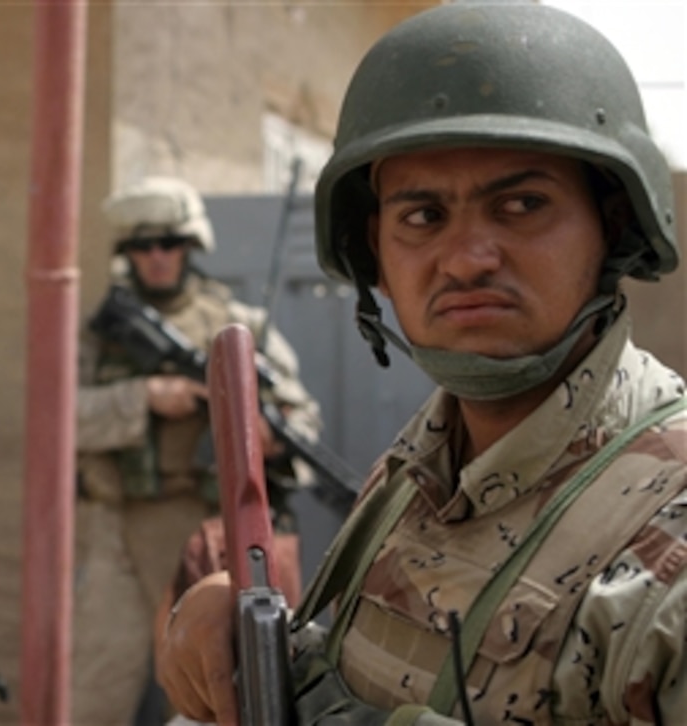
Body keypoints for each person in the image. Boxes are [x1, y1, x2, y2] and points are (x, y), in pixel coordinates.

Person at [154, 3, 687, 724]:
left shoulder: (669, 553)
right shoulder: (422, 466)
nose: (466, 258)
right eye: (422, 217)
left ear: (614, 222)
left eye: (522, 204)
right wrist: (232, 626)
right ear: (375, 247)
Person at [74, 175, 322, 724]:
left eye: (169, 243)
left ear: (191, 247)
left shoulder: (239, 328)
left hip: (217, 536)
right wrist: (141, 397)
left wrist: (268, 436)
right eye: (143, 246)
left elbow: (303, 420)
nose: (157, 257)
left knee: (213, 695)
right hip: (121, 530)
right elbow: (57, 419)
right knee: (96, 690)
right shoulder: (99, 334)